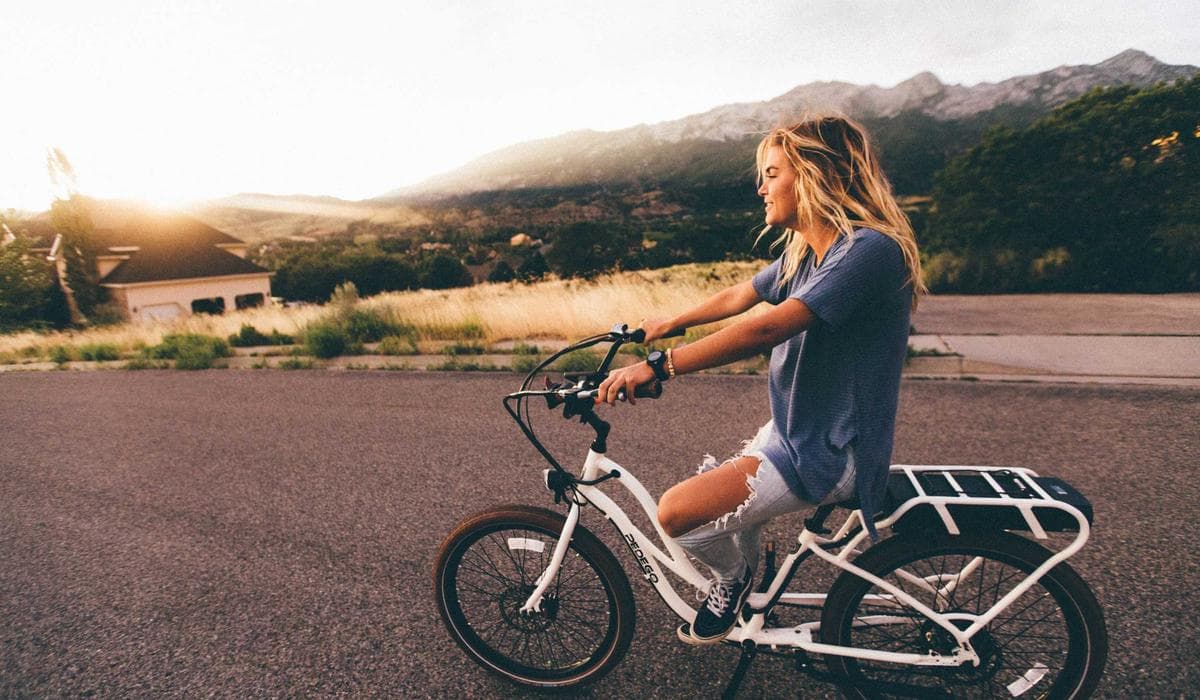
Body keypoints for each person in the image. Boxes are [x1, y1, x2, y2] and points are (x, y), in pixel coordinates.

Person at [596, 114, 926, 645]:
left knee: (677, 513)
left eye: (772, 173)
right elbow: (742, 296)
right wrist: (670, 322)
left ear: (816, 175)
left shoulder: (868, 252)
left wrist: (661, 365)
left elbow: (766, 326)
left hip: (831, 450)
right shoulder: (809, 254)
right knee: (725, 505)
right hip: (794, 432)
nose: (761, 187)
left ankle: (732, 580)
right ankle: (748, 581)